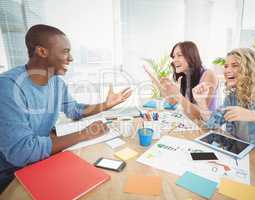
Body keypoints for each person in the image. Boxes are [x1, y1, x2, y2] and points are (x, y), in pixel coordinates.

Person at [0, 24, 132, 192]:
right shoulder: (7, 88)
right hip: (11, 177)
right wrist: (85, 133)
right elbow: (21, 152)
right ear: (42, 52)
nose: (71, 59)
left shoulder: (56, 82)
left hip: (41, 161)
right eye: (65, 51)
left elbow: (75, 110)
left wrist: (105, 105)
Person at [193, 48, 255, 170]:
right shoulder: (232, 96)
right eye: (226, 66)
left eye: (234, 65)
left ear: (249, 68)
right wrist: (201, 101)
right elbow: (212, 124)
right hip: (244, 160)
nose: (227, 70)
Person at [144, 41, 218, 120]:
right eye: (173, 57)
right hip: (191, 124)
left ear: (191, 56)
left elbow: (200, 115)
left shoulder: (208, 74)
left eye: (179, 55)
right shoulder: (183, 77)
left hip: (207, 128)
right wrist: (159, 83)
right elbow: (172, 101)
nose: (175, 60)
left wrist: (177, 95)